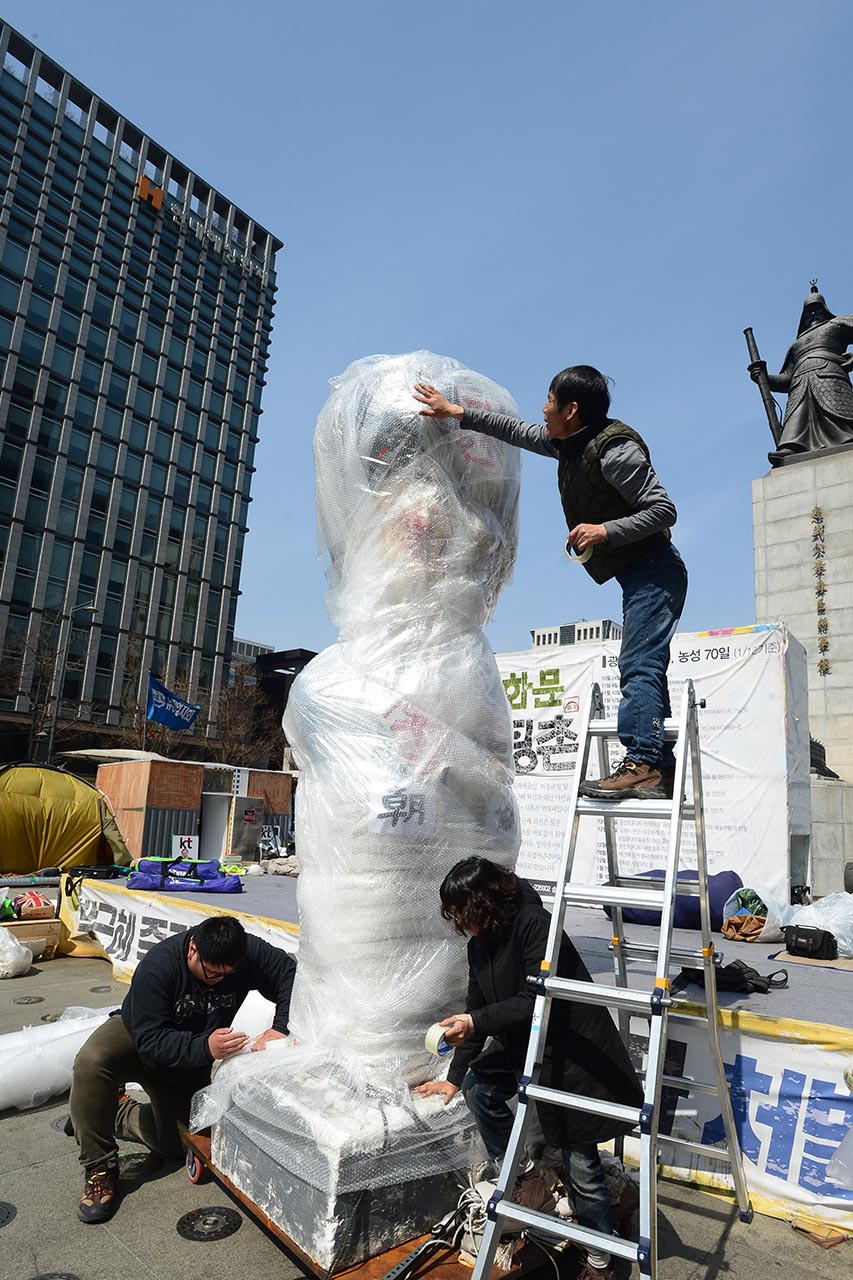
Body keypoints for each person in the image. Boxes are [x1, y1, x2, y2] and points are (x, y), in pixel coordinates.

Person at [414, 366, 687, 800]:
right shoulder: (567, 443)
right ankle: (656, 767)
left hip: (656, 569)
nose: (542, 408)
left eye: (548, 399)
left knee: (639, 665)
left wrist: (604, 530)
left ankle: (643, 765)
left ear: (571, 409)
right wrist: (456, 412)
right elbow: (514, 430)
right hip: (637, 571)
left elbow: (663, 510)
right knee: (644, 665)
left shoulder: (614, 451)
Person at [415, 857, 643, 1280]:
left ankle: (603, 1262)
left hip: (572, 1055)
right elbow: (477, 1011)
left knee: (582, 1167)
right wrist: (452, 1076)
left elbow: (535, 1000)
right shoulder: (478, 946)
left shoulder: (535, 924)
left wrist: (476, 1022)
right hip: (526, 1046)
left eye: (462, 912)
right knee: (479, 1088)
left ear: (482, 902)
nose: (460, 923)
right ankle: (526, 1175)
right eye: (455, 916)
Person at [69, 914, 296, 1224]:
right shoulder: (159, 965)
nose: (219, 979)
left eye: (228, 974)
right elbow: (150, 1041)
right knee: (92, 1062)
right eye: (212, 972)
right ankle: (99, 1167)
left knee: (176, 1147)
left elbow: (290, 973)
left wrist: (281, 1027)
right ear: (192, 950)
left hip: (186, 1065)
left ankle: (113, 1112)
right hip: (139, 1037)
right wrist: (206, 1048)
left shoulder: (245, 954)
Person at [752, 282, 853, 464]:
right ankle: (791, 447)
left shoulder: (837, 325)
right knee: (796, 421)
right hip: (799, 384)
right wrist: (764, 377)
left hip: (830, 375)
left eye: (816, 309)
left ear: (825, 310)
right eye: (809, 311)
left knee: (839, 418)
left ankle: (847, 439)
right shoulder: (796, 345)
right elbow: (785, 379)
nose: (813, 313)